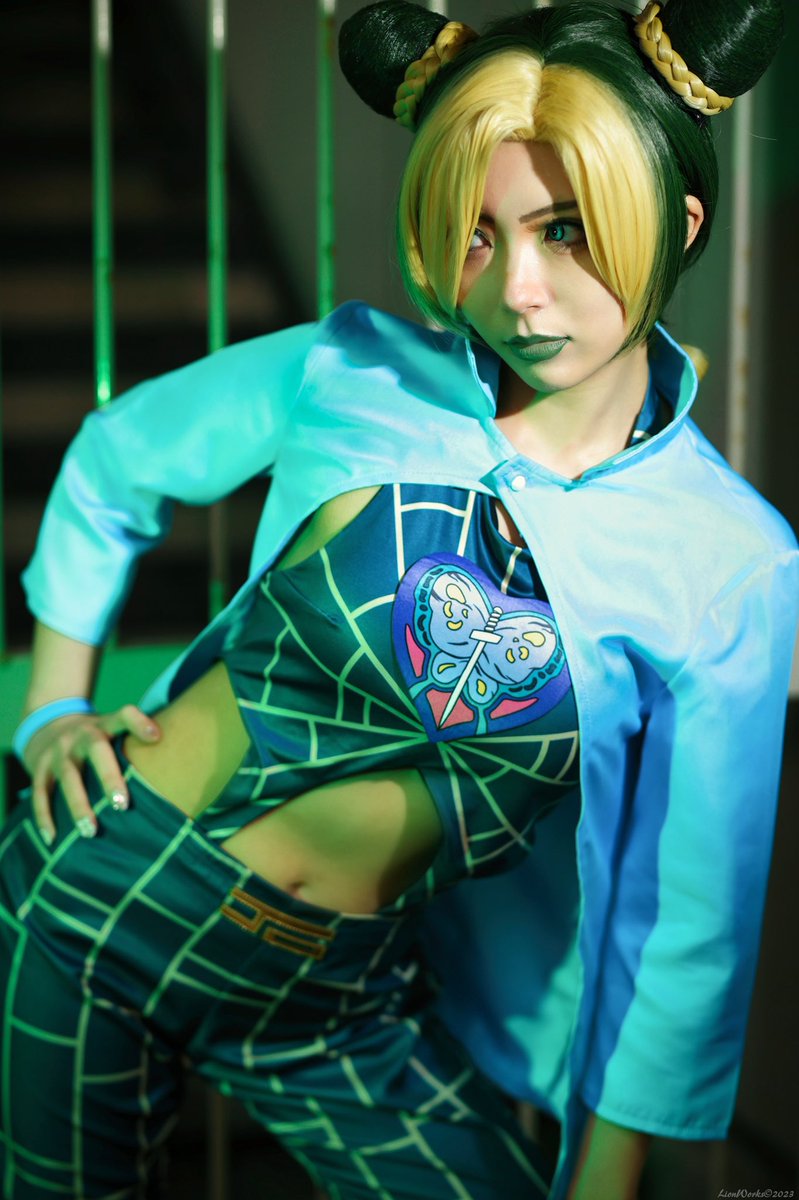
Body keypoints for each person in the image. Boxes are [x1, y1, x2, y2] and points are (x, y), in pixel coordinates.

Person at [2, 1, 796, 1197]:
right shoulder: (355, 373)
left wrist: (603, 1179)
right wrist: (52, 711)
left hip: (345, 994)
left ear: (677, 223)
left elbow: (684, 923)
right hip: (107, 895)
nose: (519, 291)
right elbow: (119, 461)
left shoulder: (728, 561)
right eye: (476, 237)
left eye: (567, 233)